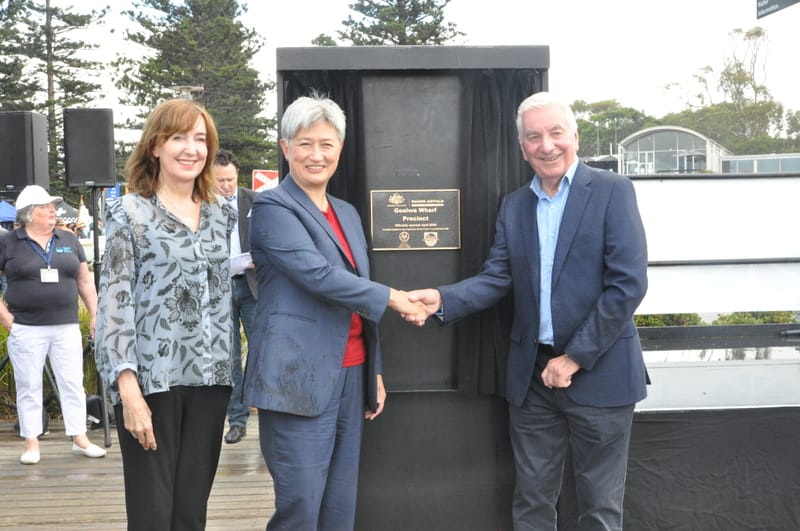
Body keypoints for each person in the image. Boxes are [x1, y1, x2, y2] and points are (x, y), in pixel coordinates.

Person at [406, 92, 649, 530]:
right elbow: (497, 277)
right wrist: (443, 299)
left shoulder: (613, 191)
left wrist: (573, 357)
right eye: (534, 137)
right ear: (522, 148)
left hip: (602, 372)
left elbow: (627, 285)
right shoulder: (516, 205)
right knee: (532, 501)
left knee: (599, 507)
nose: (547, 145)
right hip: (534, 378)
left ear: (575, 136)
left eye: (556, 133)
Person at [242, 93, 427, 530]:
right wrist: (395, 297)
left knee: (339, 509)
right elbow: (319, 275)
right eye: (304, 143)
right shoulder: (271, 208)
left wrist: (373, 371)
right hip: (295, 381)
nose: (316, 154)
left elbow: (355, 304)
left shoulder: (346, 212)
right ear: (285, 148)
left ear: (340, 150)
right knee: (301, 509)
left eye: (327, 144)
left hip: (350, 375)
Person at [94, 98, 235, 530]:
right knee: (153, 513)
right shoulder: (127, 214)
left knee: (191, 513)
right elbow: (114, 305)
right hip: (152, 382)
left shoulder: (220, 217)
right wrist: (128, 390)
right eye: (179, 137)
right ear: (155, 146)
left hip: (211, 380)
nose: (191, 148)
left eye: (200, 139)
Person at [0, 184, 105, 465]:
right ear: (29, 214)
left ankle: (79, 438)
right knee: (28, 384)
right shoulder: (8, 241)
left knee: (72, 382)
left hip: (66, 325)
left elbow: (84, 280)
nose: (52, 211)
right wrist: (5, 318)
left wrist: (95, 314)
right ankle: (31, 443)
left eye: (51, 206)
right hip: (25, 326)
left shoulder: (68, 238)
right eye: (46, 207)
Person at [212, 148, 257, 444]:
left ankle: (265, 408)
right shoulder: (202, 204)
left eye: (230, 179)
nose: (226, 185)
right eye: (220, 180)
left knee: (261, 349)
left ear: (237, 175)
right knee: (227, 356)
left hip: (253, 285)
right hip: (220, 287)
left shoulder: (256, 200)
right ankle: (236, 420)